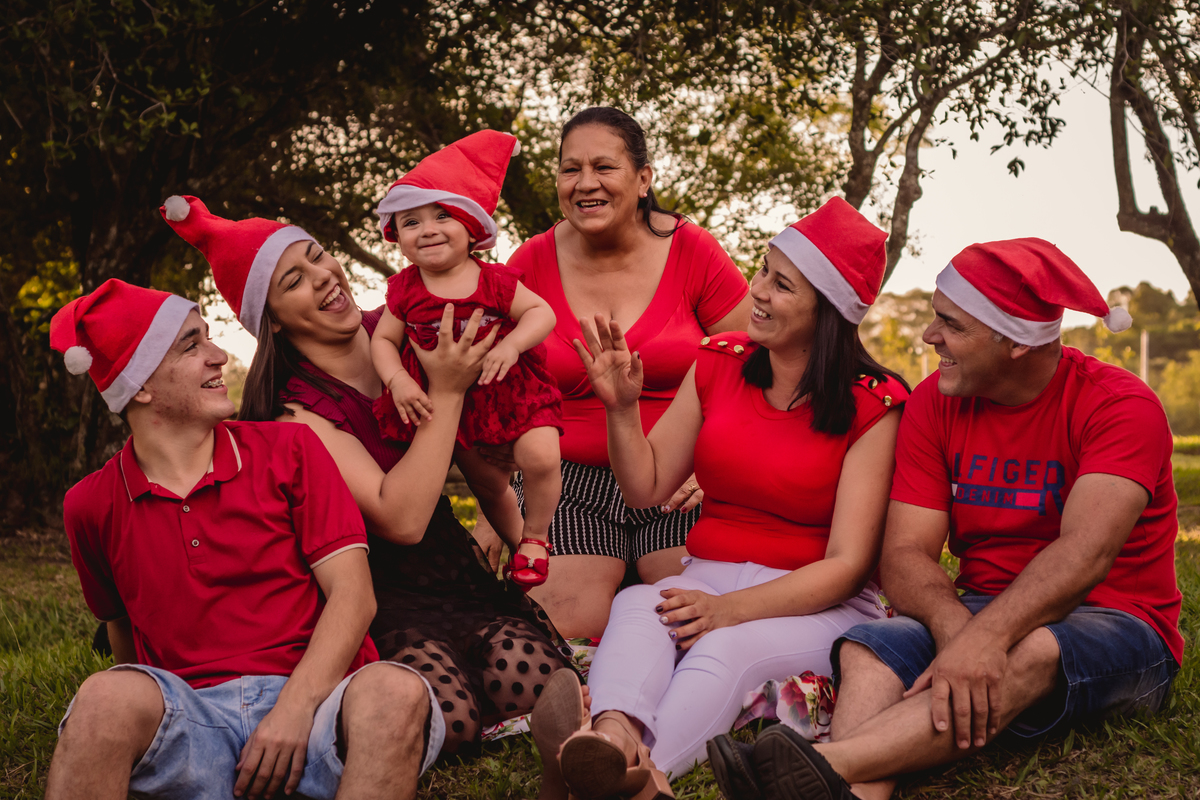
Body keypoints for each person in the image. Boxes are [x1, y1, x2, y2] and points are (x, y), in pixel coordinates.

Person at [721, 239, 1183, 800]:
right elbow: (905, 555)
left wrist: (985, 640)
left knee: (1030, 649)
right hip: (974, 609)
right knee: (871, 647)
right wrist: (957, 631)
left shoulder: (1119, 406)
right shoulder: (934, 403)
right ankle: (847, 790)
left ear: (1014, 342)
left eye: (950, 324)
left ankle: (825, 763)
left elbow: (1084, 553)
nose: (928, 336)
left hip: (1117, 623)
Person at [160, 195, 575, 758]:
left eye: (319, 257)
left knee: (533, 681)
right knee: (445, 717)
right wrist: (447, 390)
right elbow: (399, 520)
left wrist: (521, 529)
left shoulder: (407, 327)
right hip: (378, 594)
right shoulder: (297, 411)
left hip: (453, 570)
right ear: (273, 320)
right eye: (294, 281)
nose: (326, 278)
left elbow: (483, 463)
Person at [536, 198, 910, 798]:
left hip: (814, 602)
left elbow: (847, 565)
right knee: (638, 608)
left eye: (782, 284)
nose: (757, 290)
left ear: (830, 310)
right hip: (708, 573)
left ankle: (645, 776)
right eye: (762, 269)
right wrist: (622, 411)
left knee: (724, 644)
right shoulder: (719, 362)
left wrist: (730, 611)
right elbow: (646, 486)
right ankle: (607, 743)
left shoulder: (875, 402)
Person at [44, 279, 439, 800]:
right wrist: (135, 723)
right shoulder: (90, 504)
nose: (219, 355)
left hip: (318, 711)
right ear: (139, 385)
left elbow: (354, 596)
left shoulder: (290, 448)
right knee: (102, 698)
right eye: (193, 344)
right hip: (191, 719)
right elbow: (123, 637)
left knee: (396, 689)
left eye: (209, 338)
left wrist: (294, 710)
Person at [506, 106, 752, 638]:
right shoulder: (529, 263)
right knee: (564, 633)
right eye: (570, 169)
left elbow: (754, 360)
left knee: (689, 622)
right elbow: (498, 387)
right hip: (566, 483)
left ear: (643, 179)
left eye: (604, 167)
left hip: (677, 479)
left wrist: (716, 468)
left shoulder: (694, 251)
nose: (585, 184)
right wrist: (495, 502)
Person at [372, 130, 563, 590]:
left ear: (472, 227)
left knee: (541, 456)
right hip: (457, 407)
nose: (428, 229)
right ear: (395, 236)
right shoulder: (406, 290)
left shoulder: (495, 282)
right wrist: (398, 380)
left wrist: (512, 345)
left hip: (512, 389)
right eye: (410, 222)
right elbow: (381, 340)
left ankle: (537, 537)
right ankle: (519, 547)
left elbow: (542, 312)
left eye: (442, 215)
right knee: (488, 484)